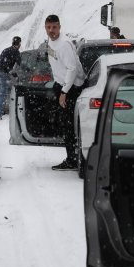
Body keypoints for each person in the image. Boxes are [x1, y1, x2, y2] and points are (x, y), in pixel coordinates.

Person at [44, 14, 85, 170]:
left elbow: (72, 69)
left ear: (59, 27)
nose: (51, 30)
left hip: (72, 87)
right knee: (63, 122)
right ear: (45, 28)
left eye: (54, 27)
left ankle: (73, 160)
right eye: (48, 27)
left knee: (68, 125)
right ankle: (72, 157)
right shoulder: (51, 41)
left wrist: (64, 92)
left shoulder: (64, 45)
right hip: (61, 84)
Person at [0, 36, 22, 120]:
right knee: (3, 95)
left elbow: (4, 62)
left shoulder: (6, 49)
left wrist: (11, 71)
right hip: (1, 73)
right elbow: (21, 64)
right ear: (19, 44)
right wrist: (15, 74)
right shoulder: (16, 52)